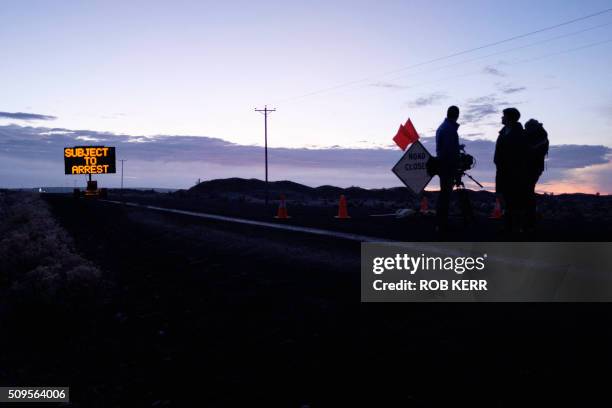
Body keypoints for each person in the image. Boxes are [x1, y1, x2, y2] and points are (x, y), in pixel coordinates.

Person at [494, 107, 528, 232]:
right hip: (502, 171)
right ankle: (508, 225)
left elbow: (520, 154)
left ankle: (515, 227)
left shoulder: (519, 134)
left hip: (513, 173)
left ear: (510, 118)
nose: (502, 118)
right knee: (503, 197)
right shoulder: (503, 132)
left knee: (513, 199)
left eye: (504, 116)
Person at [435, 105, 461, 231]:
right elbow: (449, 151)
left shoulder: (443, 127)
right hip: (447, 167)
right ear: (457, 115)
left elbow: (446, 148)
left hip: (443, 165)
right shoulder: (449, 129)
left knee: (444, 194)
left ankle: (441, 223)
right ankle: (442, 224)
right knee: (445, 195)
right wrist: (456, 164)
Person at [524, 119, 549, 229]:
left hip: (533, 168)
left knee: (528, 192)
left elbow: (532, 148)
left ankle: (530, 217)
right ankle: (530, 217)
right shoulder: (541, 134)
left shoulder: (541, 136)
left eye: (527, 129)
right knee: (528, 191)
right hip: (534, 167)